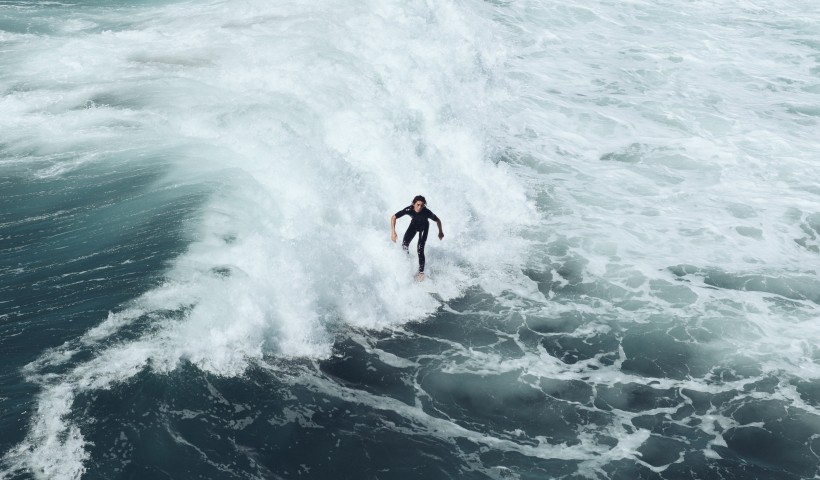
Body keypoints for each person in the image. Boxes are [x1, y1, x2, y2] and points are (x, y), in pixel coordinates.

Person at [391, 195, 444, 280]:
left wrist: (440, 232)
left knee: (420, 249)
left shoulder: (427, 212)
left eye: (422, 205)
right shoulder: (409, 209)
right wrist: (393, 232)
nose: (420, 207)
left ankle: (421, 273)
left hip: (424, 227)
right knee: (404, 245)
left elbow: (438, 220)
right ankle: (407, 264)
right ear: (413, 204)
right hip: (414, 225)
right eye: (418, 205)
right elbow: (393, 217)